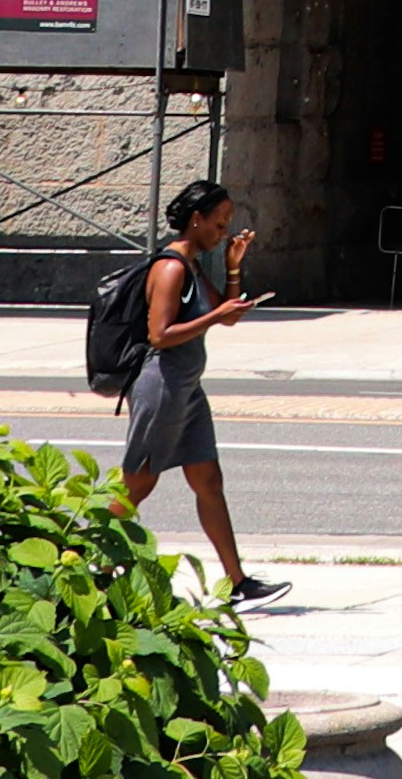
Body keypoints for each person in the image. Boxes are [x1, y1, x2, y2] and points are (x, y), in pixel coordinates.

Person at [118, 180, 284, 611]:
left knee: (209, 481)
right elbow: (159, 333)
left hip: (187, 388)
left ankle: (237, 583)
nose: (224, 231)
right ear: (196, 219)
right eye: (219, 223)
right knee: (137, 485)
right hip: (162, 386)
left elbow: (226, 317)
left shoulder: (193, 266)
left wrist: (232, 269)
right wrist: (215, 315)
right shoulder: (171, 267)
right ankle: (75, 563)